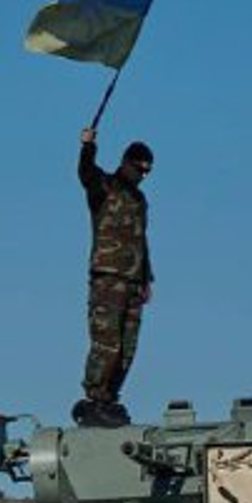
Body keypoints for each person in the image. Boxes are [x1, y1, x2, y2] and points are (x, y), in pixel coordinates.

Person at [72, 126, 153, 428]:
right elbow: (85, 173)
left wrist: (147, 278)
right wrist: (88, 146)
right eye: (139, 168)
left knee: (128, 347)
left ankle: (110, 397)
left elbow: (141, 240)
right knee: (107, 343)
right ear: (127, 162)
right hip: (108, 277)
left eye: (147, 172)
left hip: (133, 280)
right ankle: (95, 397)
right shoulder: (104, 186)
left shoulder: (139, 200)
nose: (143, 175)